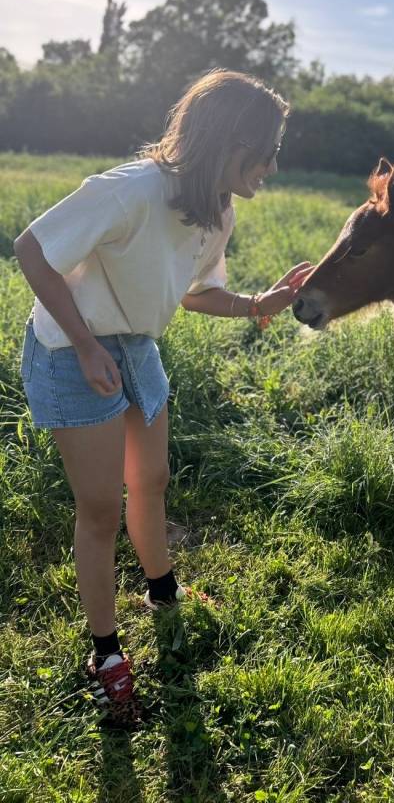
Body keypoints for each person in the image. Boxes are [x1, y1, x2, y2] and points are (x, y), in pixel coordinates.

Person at [13, 69, 313, 726]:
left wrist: (260, 302)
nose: (272, 166)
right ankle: (106, 655)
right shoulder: (130, 189)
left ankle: (161, 590)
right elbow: (31, 248)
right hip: (72, 351)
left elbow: (195, 292)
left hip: (136, 348)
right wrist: (86, 346)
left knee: (151, 480)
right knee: (100, 511)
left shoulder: (217, 210)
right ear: (230, 143)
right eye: (267, 151)